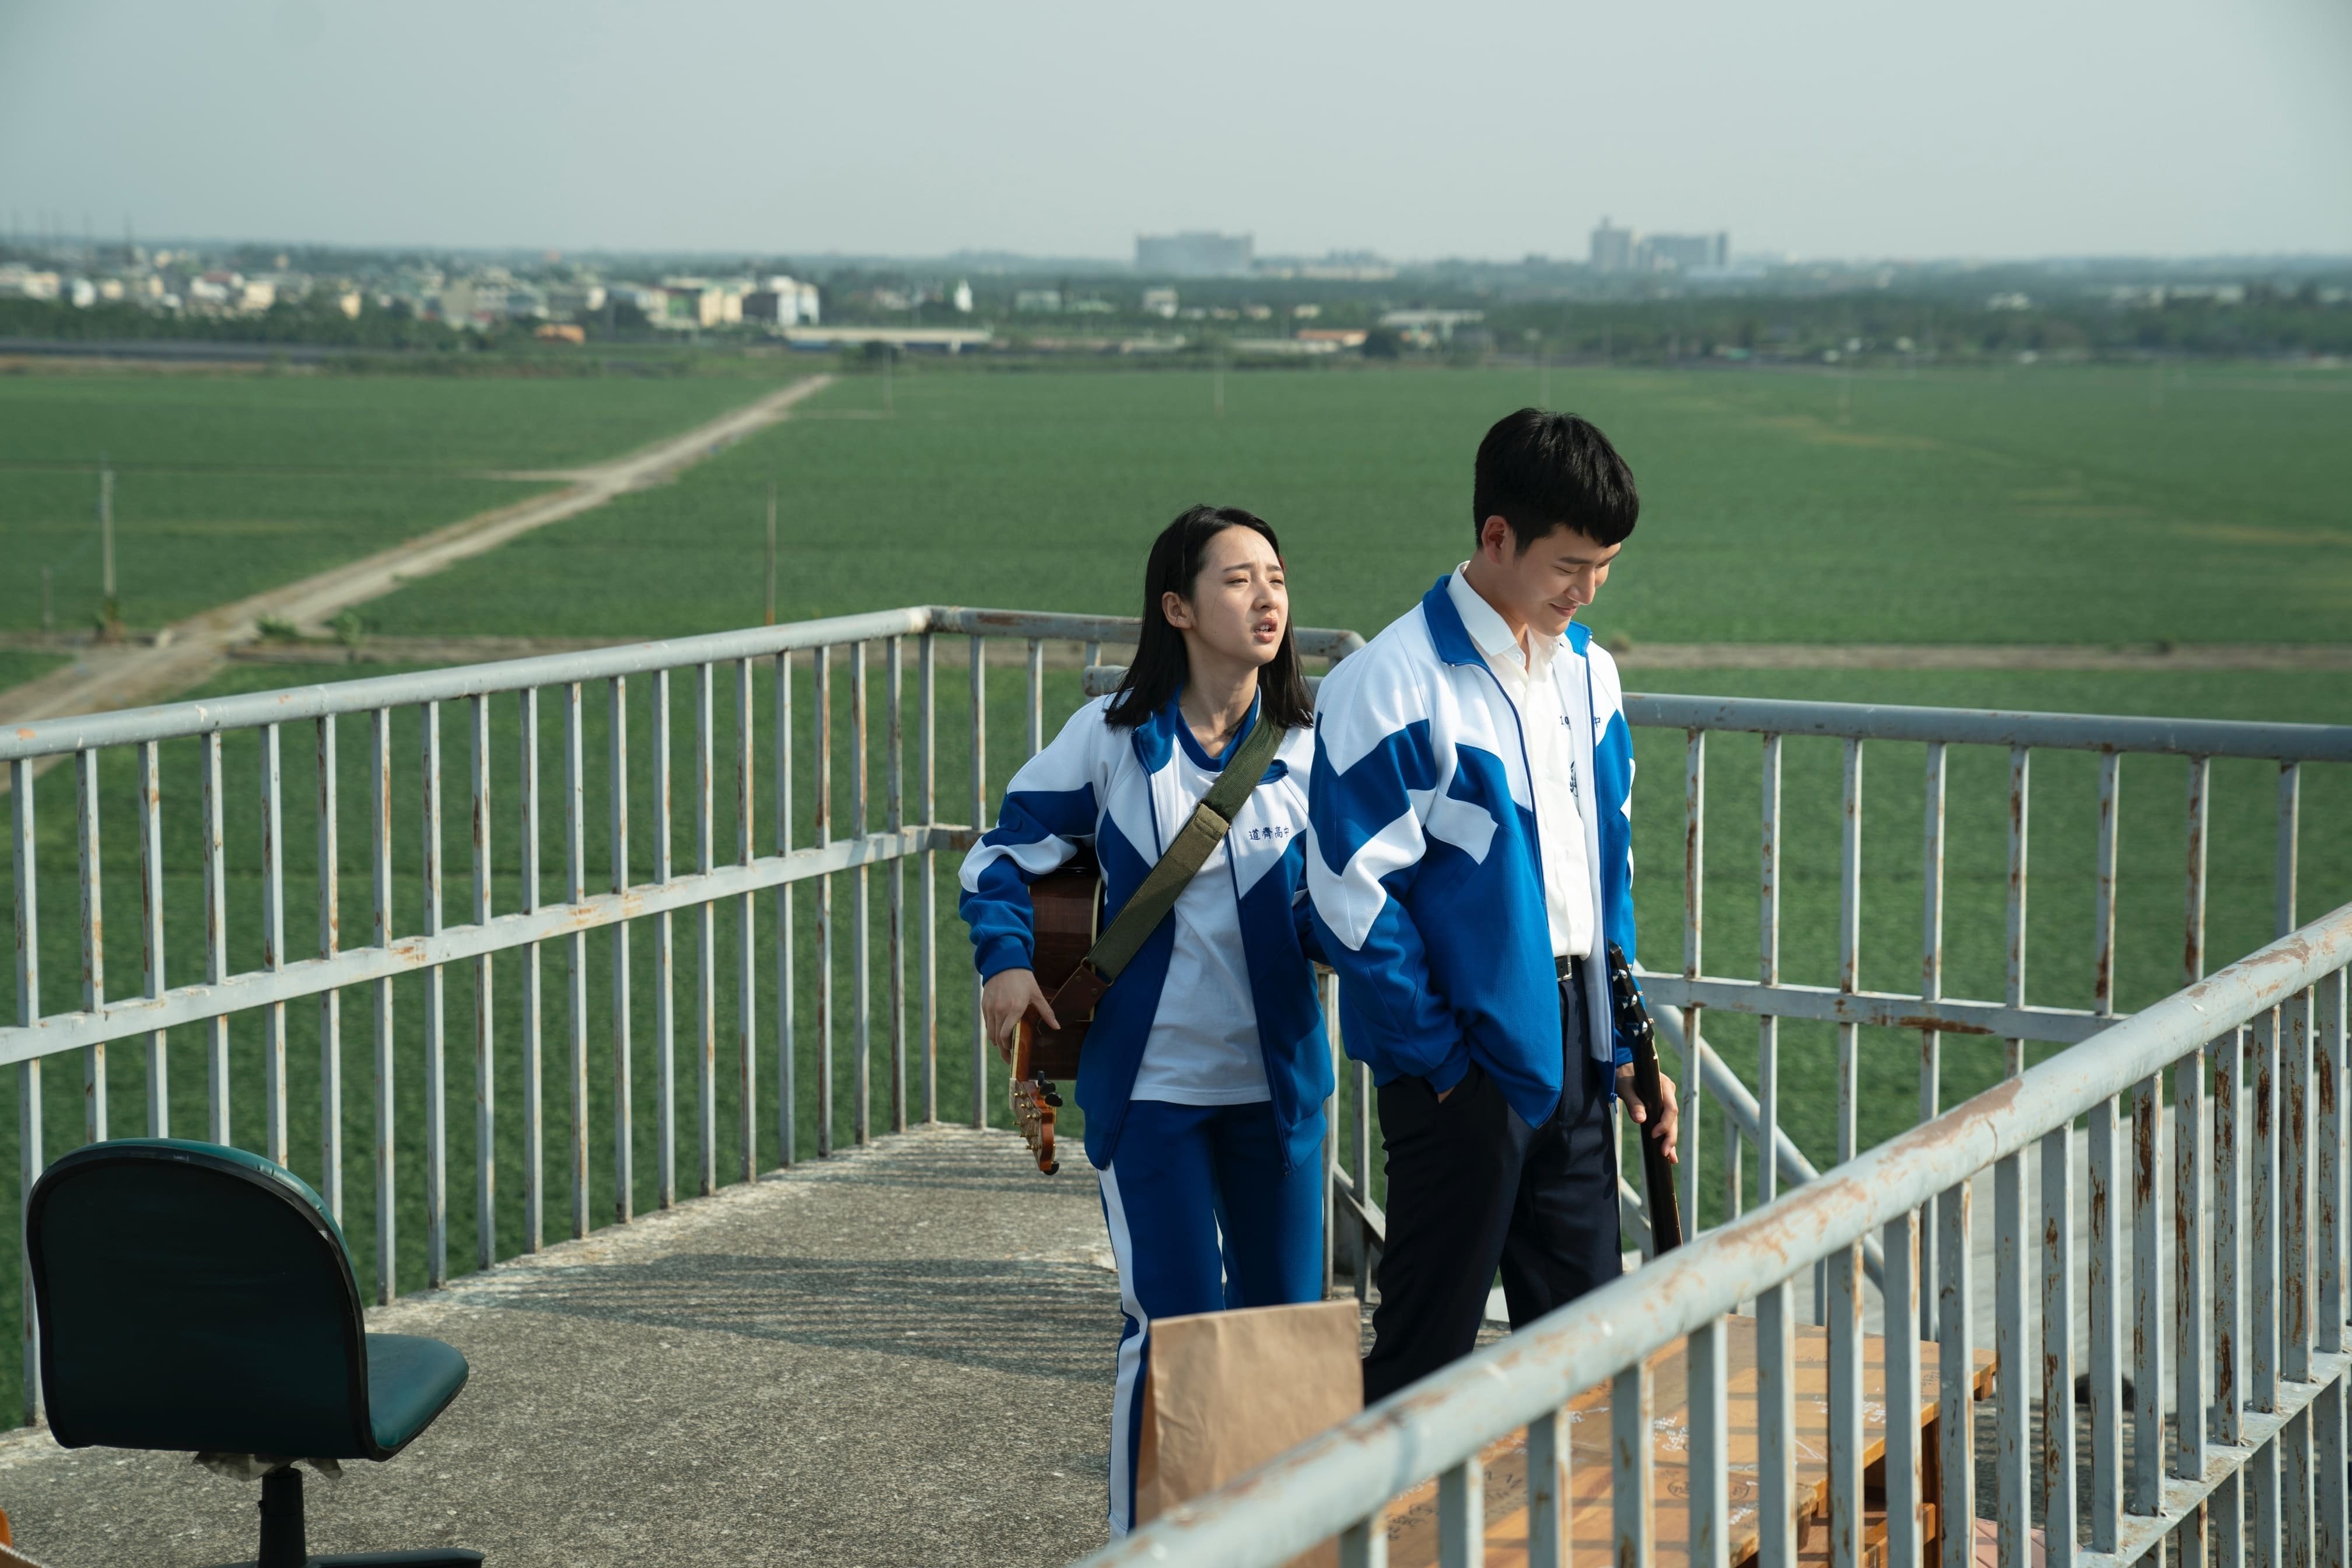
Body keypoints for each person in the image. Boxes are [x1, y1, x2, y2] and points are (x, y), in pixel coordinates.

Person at [958, 504, 1332, 1536]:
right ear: (1176, 607)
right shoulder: (1113, 741)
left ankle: (1284, 1547)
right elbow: (1000, 855)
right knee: (1171, 1333)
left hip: (1279, 1092)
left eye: (1277, 578)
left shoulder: (1313, 747)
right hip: (1155, 1093)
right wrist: (1003, 964)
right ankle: (1152, 1549)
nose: (1267, 599)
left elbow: (1366, 897)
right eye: (1237, 579)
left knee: (1283, 1338)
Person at [1306, 408, 1679, 1404]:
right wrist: (1439, 1066)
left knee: (1586, 1354)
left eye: (1605, 564)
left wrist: (1630, 1040)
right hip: (1460, 1062)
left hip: (1580, 1048)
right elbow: (1348, 896)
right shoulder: (1392, 680)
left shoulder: (1592, 675)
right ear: (1496, 537)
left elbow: (1609, 870)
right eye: (1569, 563)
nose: (1588, 588)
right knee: (1427, 1353)